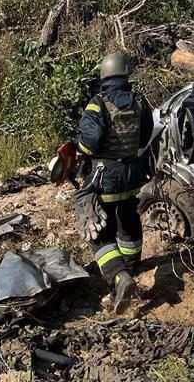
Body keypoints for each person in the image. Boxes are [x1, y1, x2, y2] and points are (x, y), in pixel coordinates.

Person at [71, 51, 154, 312]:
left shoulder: (97, 104)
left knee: (99, 232)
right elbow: (145, 137)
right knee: (128, 219)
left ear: (104, 74)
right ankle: (131, 267)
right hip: (133, 176)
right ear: (126, 72)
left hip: (106, 178)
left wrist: (80, 150)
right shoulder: (140, 102)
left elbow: (89, 143)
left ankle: (119, 276)